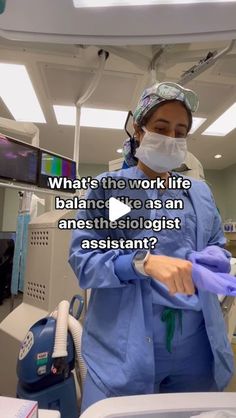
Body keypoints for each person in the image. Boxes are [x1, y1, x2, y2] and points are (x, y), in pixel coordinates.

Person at [69, 82, 234, 413]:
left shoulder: (199, 193)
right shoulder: (109, 190)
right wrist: (143, 263)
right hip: (124, 351)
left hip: (196, 351)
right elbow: (84, 260)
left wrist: (217, 257)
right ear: (138, 130)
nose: (171, 138)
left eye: (180, 131)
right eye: (161, 128)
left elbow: (217, 243)